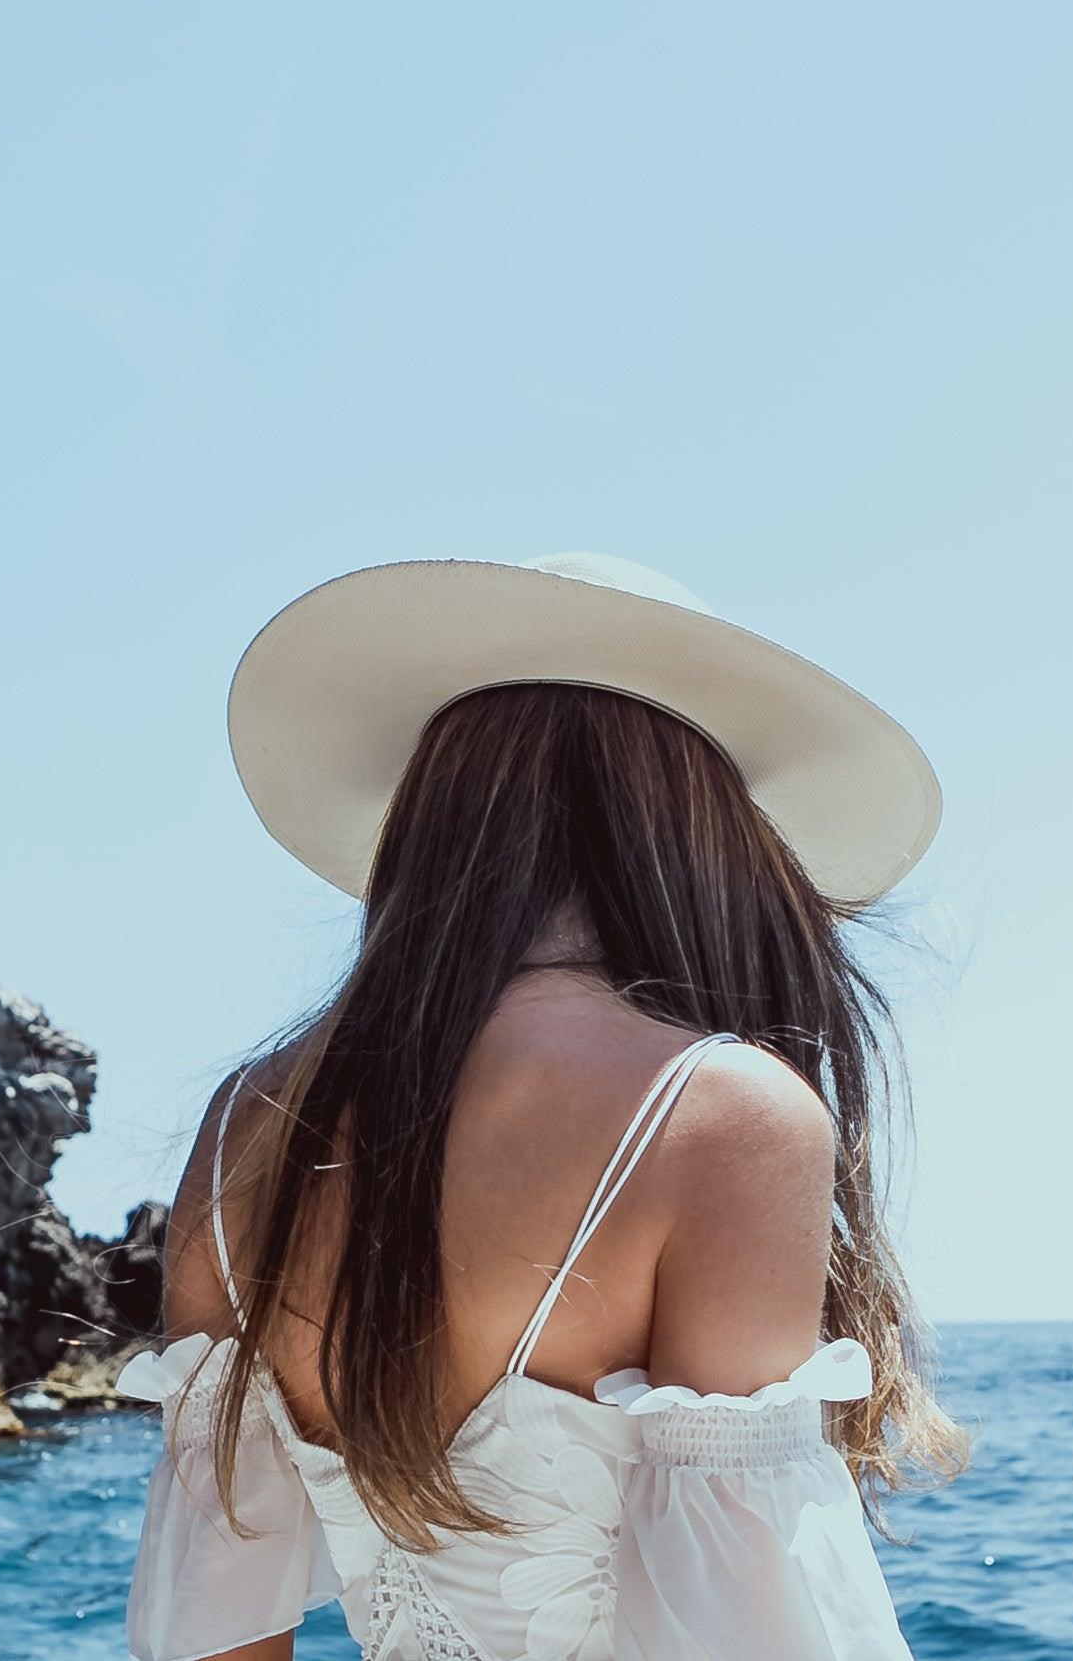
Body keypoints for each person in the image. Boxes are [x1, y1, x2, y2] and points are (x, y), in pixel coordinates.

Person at [121, 552, 966, 1661]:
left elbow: (209, 1633)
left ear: (424, 819)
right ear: (695, 832)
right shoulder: (721, 1113)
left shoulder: (248, 1122)